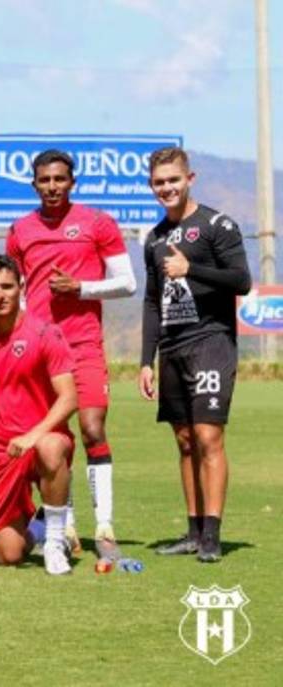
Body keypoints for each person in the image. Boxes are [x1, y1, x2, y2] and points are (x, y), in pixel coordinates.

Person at [6, 149, 137, 564]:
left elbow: (128, 283)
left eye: (59, 179)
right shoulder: (20, 230)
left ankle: (105, 526)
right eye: (44, 180)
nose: (52, 187)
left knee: (92, 428)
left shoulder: (98, 223)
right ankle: (65, 525)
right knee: (52, 439)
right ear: (34, 184)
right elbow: (11, 291)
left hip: (83, 345)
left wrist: (80, 288)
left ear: (72, 182)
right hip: (41, 350)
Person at [140, 147, 251, 563]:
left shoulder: (216, 225)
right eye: (159, 182)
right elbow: (153, 302)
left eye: (173, 180)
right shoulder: (154, 239)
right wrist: (145, 361)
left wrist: (192, 269)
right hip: (172, 348)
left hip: (211, 343)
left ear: (190, 178)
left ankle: (212, 534)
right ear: (151, 187)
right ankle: (191, 531)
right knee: (185, 442)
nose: (166, 188)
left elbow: (241, 280)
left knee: (208, 436)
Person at [0, 255, 78, 575]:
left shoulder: (44, 333)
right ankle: (41, 524)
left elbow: (69, 398)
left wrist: (32, 436)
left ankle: (54, 541)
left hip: (41, 441)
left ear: (21, 287)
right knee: (8, 554)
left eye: (7, 286)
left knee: (50, 448)